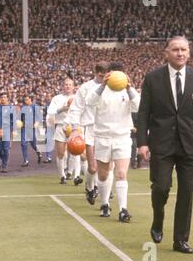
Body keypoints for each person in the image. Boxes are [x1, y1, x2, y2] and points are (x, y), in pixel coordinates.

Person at [137, 36, 193, 254]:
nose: (180, 53)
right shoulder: (152, 78)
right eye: (176, 49)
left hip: (190, 145)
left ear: (189, 52)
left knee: (186, 193)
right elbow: (143, 113)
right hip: (161, 144)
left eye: (184, 50)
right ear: (166, 52)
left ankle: (180, 240)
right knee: (161, 187)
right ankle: (157, 219)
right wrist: (142, 142)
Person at [86, 68, 140, 222]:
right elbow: (89, 101)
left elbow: (138, 106)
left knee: (122, 173)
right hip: (103, 137)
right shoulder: (99, 90)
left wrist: (129, 88)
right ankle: (105, 204)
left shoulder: (128, 90)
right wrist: (102, 85)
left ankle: (123, 209)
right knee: (103, 175)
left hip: (122, 137)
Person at [67, 62, 110, 203]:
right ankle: (90, 187)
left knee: (108, 166)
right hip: (90, 129)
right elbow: (76, 108)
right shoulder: (85, 88)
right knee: (93, 167)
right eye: (100, 75)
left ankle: (105, 194)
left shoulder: (113, 85)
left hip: (108, 129)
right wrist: (74, 129)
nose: (103, 78)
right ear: (96, 72)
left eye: (106, 75)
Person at [47, 77, 76, 185]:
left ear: (73, 87)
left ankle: (71, 172)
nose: (67, 86)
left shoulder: (77, 98)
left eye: (70, 84)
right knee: (61, 153)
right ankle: (62, 175)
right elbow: (51, 111)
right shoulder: (57, 98)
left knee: (75, 151)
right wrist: (62, 109)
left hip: (74, 127)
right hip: (61, 126)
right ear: (63, 86)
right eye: (66, 84)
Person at [0, 92, 15, 173]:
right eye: (1, 97)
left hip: (7, 130)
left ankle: (4, 166)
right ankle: (2, 161)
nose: (3, 98)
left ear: (7, 98)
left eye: (4, 97)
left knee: (6, 149)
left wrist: (13, 130)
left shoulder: (11, 108)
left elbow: (13, 120)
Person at [19, 95, 42, 167]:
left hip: (31, 128)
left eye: (27, 99)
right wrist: (19, 122)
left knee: (33, 144)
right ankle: (25, 160)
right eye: (25, 99)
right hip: (24, 128)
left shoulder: (35, 107)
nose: (25, 101)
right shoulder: (23, 107)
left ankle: (39, 153)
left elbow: (39, 117)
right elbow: (20, 117)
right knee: (23, 143)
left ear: (30, 100)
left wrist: (36, 123)